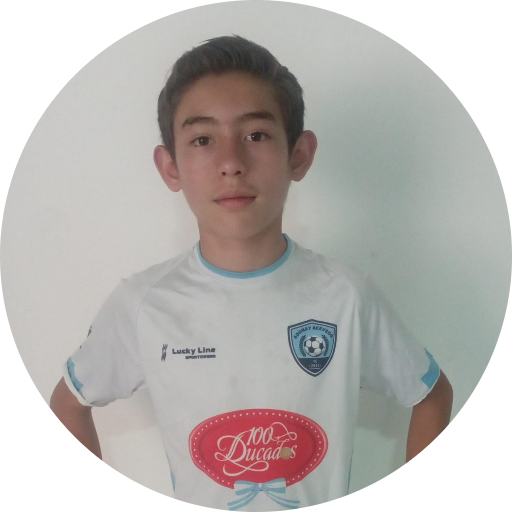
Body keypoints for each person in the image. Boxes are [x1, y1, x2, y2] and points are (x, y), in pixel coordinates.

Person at [50, 35, 453, 510]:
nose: (231, 164)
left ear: (298, 155)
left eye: (256, 135)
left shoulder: (346, 296)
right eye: (203, 140)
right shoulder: (143, 305)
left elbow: (432, 395)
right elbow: (68, 403)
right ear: (170, 166)